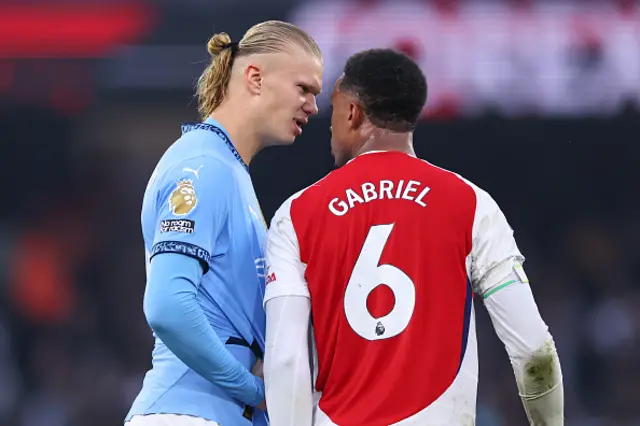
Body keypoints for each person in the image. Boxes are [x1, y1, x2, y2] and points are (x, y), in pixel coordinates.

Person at [262, 49, 563, 426]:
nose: (329, 124)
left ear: (353, 112)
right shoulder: (471, 205)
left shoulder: (297, 214)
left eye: (334, 109)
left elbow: (286, 358)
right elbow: (534, 352)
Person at [125, 20, 322, 426]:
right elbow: (167, 304)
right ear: (255, 77)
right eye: (304, 89)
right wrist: (254, 391)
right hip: (187, 413)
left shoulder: (229, 170)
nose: (314, 106)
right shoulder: (203, 165)